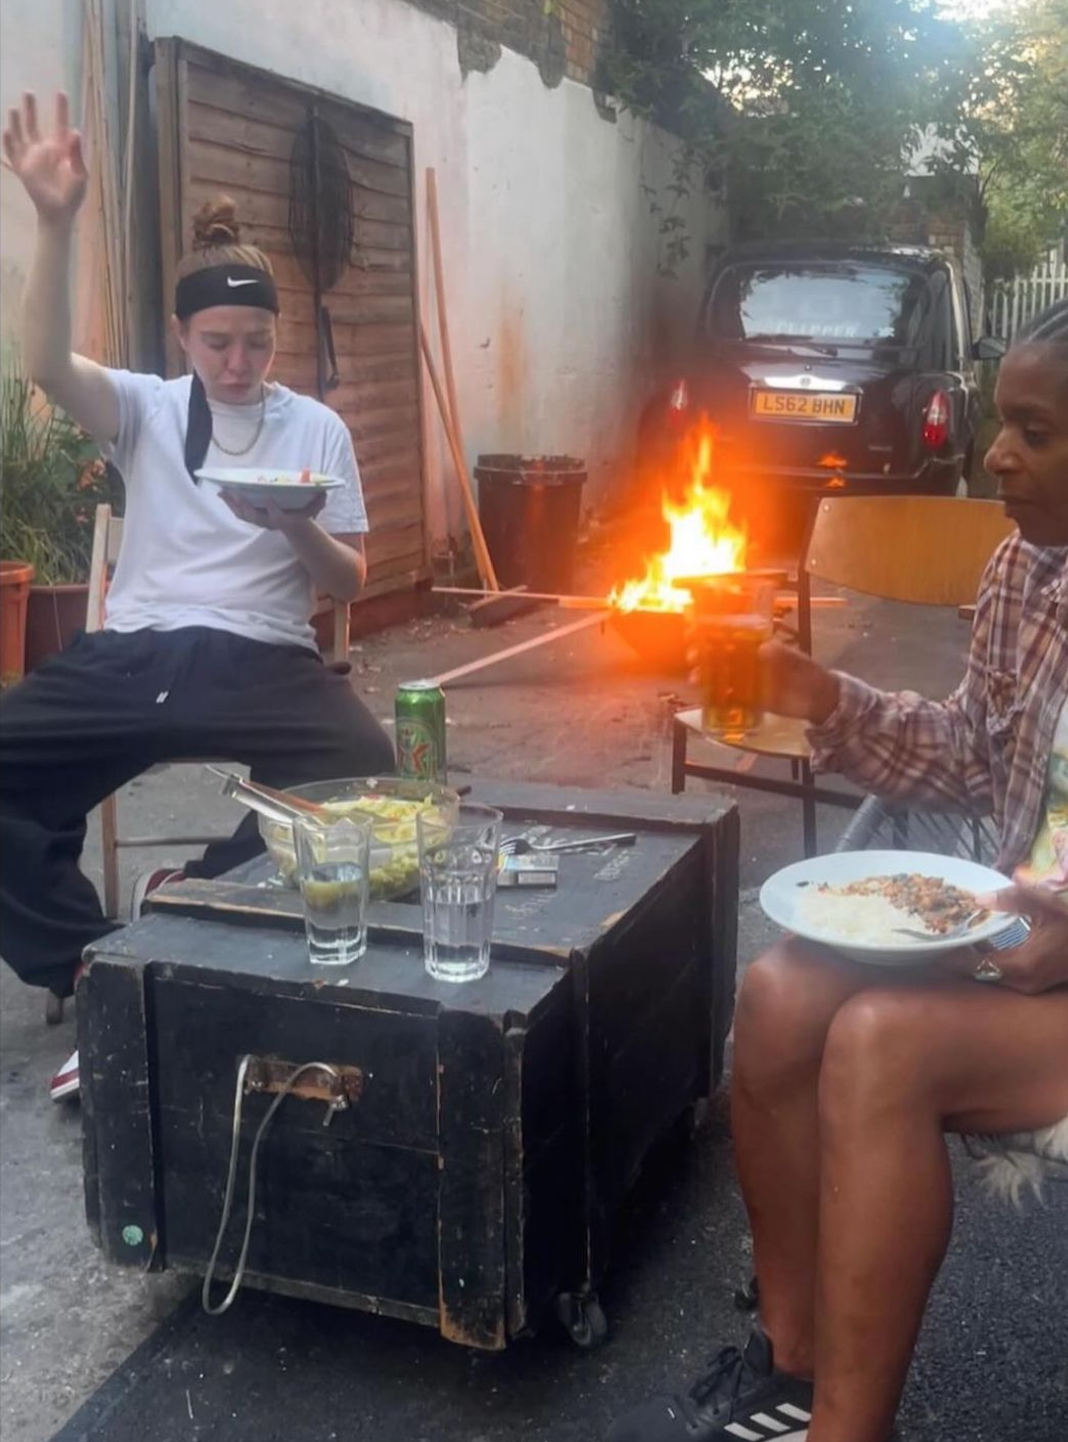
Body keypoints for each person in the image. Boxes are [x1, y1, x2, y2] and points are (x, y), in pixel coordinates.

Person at [608, 299, 1068, 1442]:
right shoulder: (1023, 569)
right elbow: (974, 755)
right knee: (776, 997)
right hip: (1018, 929)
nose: (996, 454)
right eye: (1000, 423)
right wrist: (825, 697)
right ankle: (794, 1360)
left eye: (1036, 431)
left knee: (878, 1045)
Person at [0, 93, 394, 1100]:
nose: (238, 364)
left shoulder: (316, 430)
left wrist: (293, 524)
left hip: (261, 656)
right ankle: (95, 965)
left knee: (368, 766)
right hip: (134, 652)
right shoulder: (144, 407)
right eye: (217, 342)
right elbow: (43, 362)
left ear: (277, 334)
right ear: (181, 336)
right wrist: (54, 220)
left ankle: (193, 908)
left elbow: (349, 579)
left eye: (257, 342)